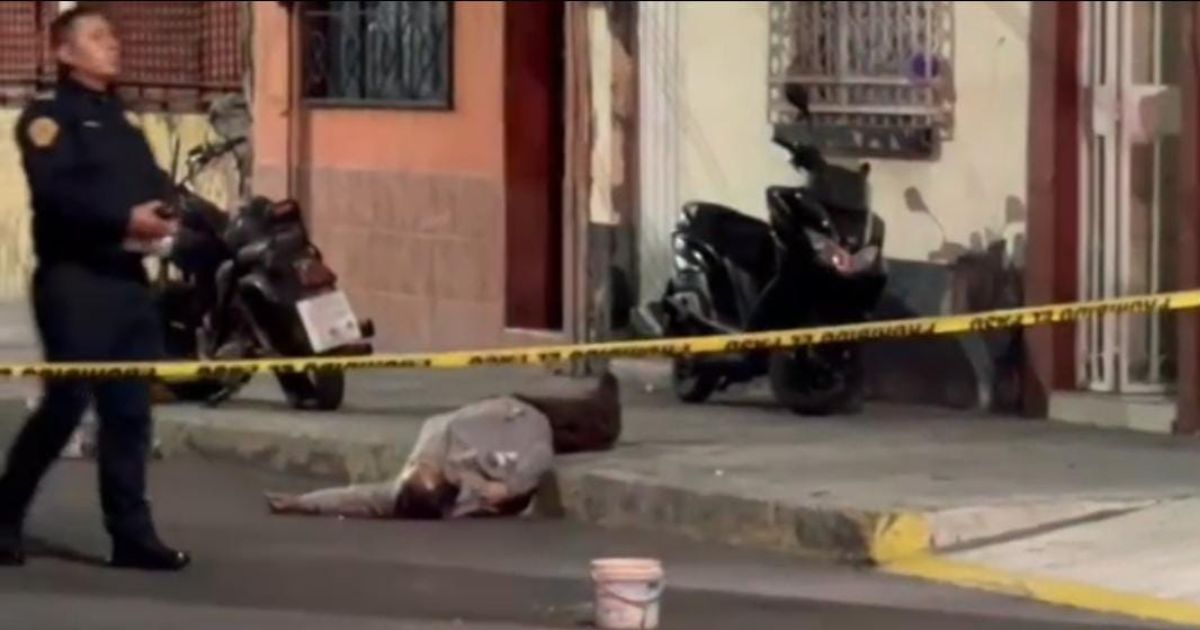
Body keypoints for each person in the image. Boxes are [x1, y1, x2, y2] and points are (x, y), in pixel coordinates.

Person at [0, 6, 189, 570]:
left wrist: (170, 214)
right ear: (65, 52)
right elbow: (58, 195)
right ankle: (4, 516)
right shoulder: (47, 118)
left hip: (127, 281)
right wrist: (124, 219)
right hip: (75, 281)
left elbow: (153, 184)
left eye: (113, 36)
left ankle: (132, 535)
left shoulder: (123, 122)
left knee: (129, 413)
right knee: (65, 405)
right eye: (98, 37)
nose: (113, 45)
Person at [265, 372, 622, 520]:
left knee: (587, 424)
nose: (417, 463)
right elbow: (361, 499)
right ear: (446, 480)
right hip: (516, 429)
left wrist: (302, 502)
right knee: (588, 432)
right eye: (425, 470)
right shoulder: (461, 474)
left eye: (414, 469)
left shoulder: (452, 449)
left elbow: (359, 497)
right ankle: (601, 406)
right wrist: (303, 503)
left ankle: (602, 399)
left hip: (508, 413)